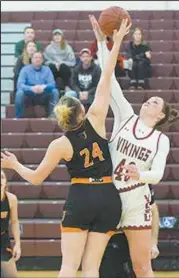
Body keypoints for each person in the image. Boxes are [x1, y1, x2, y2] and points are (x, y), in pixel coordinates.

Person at [1, 16, 131, 278]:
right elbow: (106, 75)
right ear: (81, 112)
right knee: (92, 268)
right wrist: (109, 42)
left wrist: (14, 164)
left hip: (82, 197)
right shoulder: (95, 119)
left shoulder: (60, 144)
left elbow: (36, 179)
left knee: (69, 267)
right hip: (107, 195)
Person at [94, 19, 179, 278]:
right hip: (108, 193)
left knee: (142, 267)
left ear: (160, 115)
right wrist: (103, 42)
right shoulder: (126, 116)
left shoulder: (160, 140)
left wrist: (139, 175)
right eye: (149, 99)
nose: (148, 101)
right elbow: (108, 78)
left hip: (135, 197)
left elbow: (157, 174)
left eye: (154, 101)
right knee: (94, 263)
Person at [100, 184, 160, 278]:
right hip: (107, 238)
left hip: (133, 238)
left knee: (141, 270)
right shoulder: (104, 174)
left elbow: (153, 210)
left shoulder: (140, 178)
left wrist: (153, 242)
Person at [15, 51, 59, 118]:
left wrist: (44, 87)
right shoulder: (25, 69)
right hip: (29, 96)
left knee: (54, 91)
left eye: (40, 58)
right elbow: (20, 85)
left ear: (42, 60)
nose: (38, 59)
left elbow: (52, 84)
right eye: (35, 57)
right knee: (19, 93)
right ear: (31, 60)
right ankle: (19, 117)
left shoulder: (47, 70)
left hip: (43, 95)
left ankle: (53, 116)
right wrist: (31, 88)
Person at [1, 169, 21, 278]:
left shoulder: (11, 199)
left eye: (2, 177)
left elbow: (14, 222)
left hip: (3, 241)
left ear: (6, 181)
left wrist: (18, 244)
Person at [70, 48, 101, 112]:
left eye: (87, 56)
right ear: (80, 58)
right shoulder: (76, 69)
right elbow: (73, 83)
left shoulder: (96, 69)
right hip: (79, 92)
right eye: (83, 57)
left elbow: (98, 84)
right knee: (69, 95)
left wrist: (88, 93)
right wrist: (79, 92)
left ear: (91, 58)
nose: (85, 58)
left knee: (91, 99)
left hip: (92, 92)